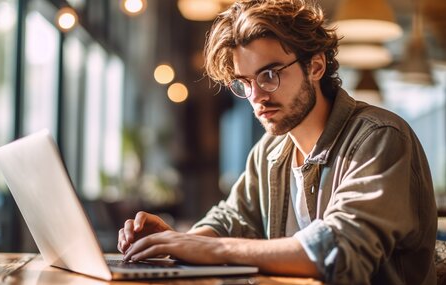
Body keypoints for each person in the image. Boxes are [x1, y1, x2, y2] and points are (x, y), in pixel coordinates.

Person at [117, 0, 438, 284]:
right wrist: (173, 242)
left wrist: (207, 247)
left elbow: (339, 250)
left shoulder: (380, 138)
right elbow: (233, 219)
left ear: (315, 66)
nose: (256, 96)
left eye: (269, 75)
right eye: (245, 82)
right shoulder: (270, 150)